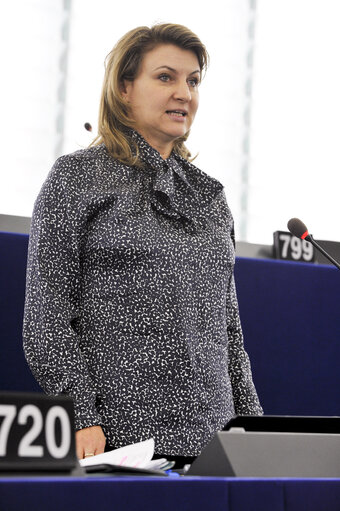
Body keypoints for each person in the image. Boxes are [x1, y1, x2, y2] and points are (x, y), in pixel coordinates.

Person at [23, 23, 263, 468]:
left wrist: (253, 427)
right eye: (166, 77)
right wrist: (80, 416)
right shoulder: (76, 179)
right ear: (124, 88)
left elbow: (228, 330)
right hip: (122, 440)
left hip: (216, 442)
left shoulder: (211, 197)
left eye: (193, 81)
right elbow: (46, 321)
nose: (185, 94)